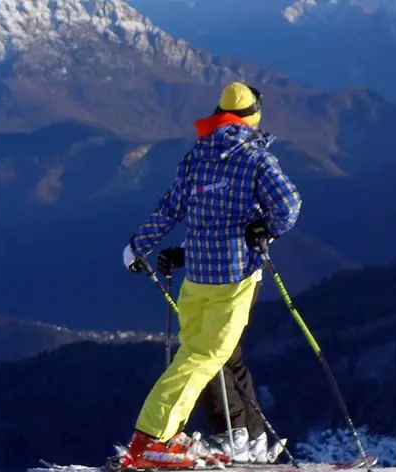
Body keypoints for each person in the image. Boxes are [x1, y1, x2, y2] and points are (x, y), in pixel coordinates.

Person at [119, 81, 302, 469]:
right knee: (204, 357)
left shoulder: (196, 158)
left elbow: (169, 209)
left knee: (202, 354)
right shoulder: (256, 159)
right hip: (234, 277)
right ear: (253, 117)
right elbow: (288, 205)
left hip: (196, 278)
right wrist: (264, 229)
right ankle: (152, 438)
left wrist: (137, 246)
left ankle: (243, 437)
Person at [158, 246, 287, 464]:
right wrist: (186, 253)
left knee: (208, 353)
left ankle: (233, 435)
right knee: (227, 355)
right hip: (234, 278)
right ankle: (253, 437)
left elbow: (220, 233)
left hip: (230, 281)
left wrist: (187, 253)